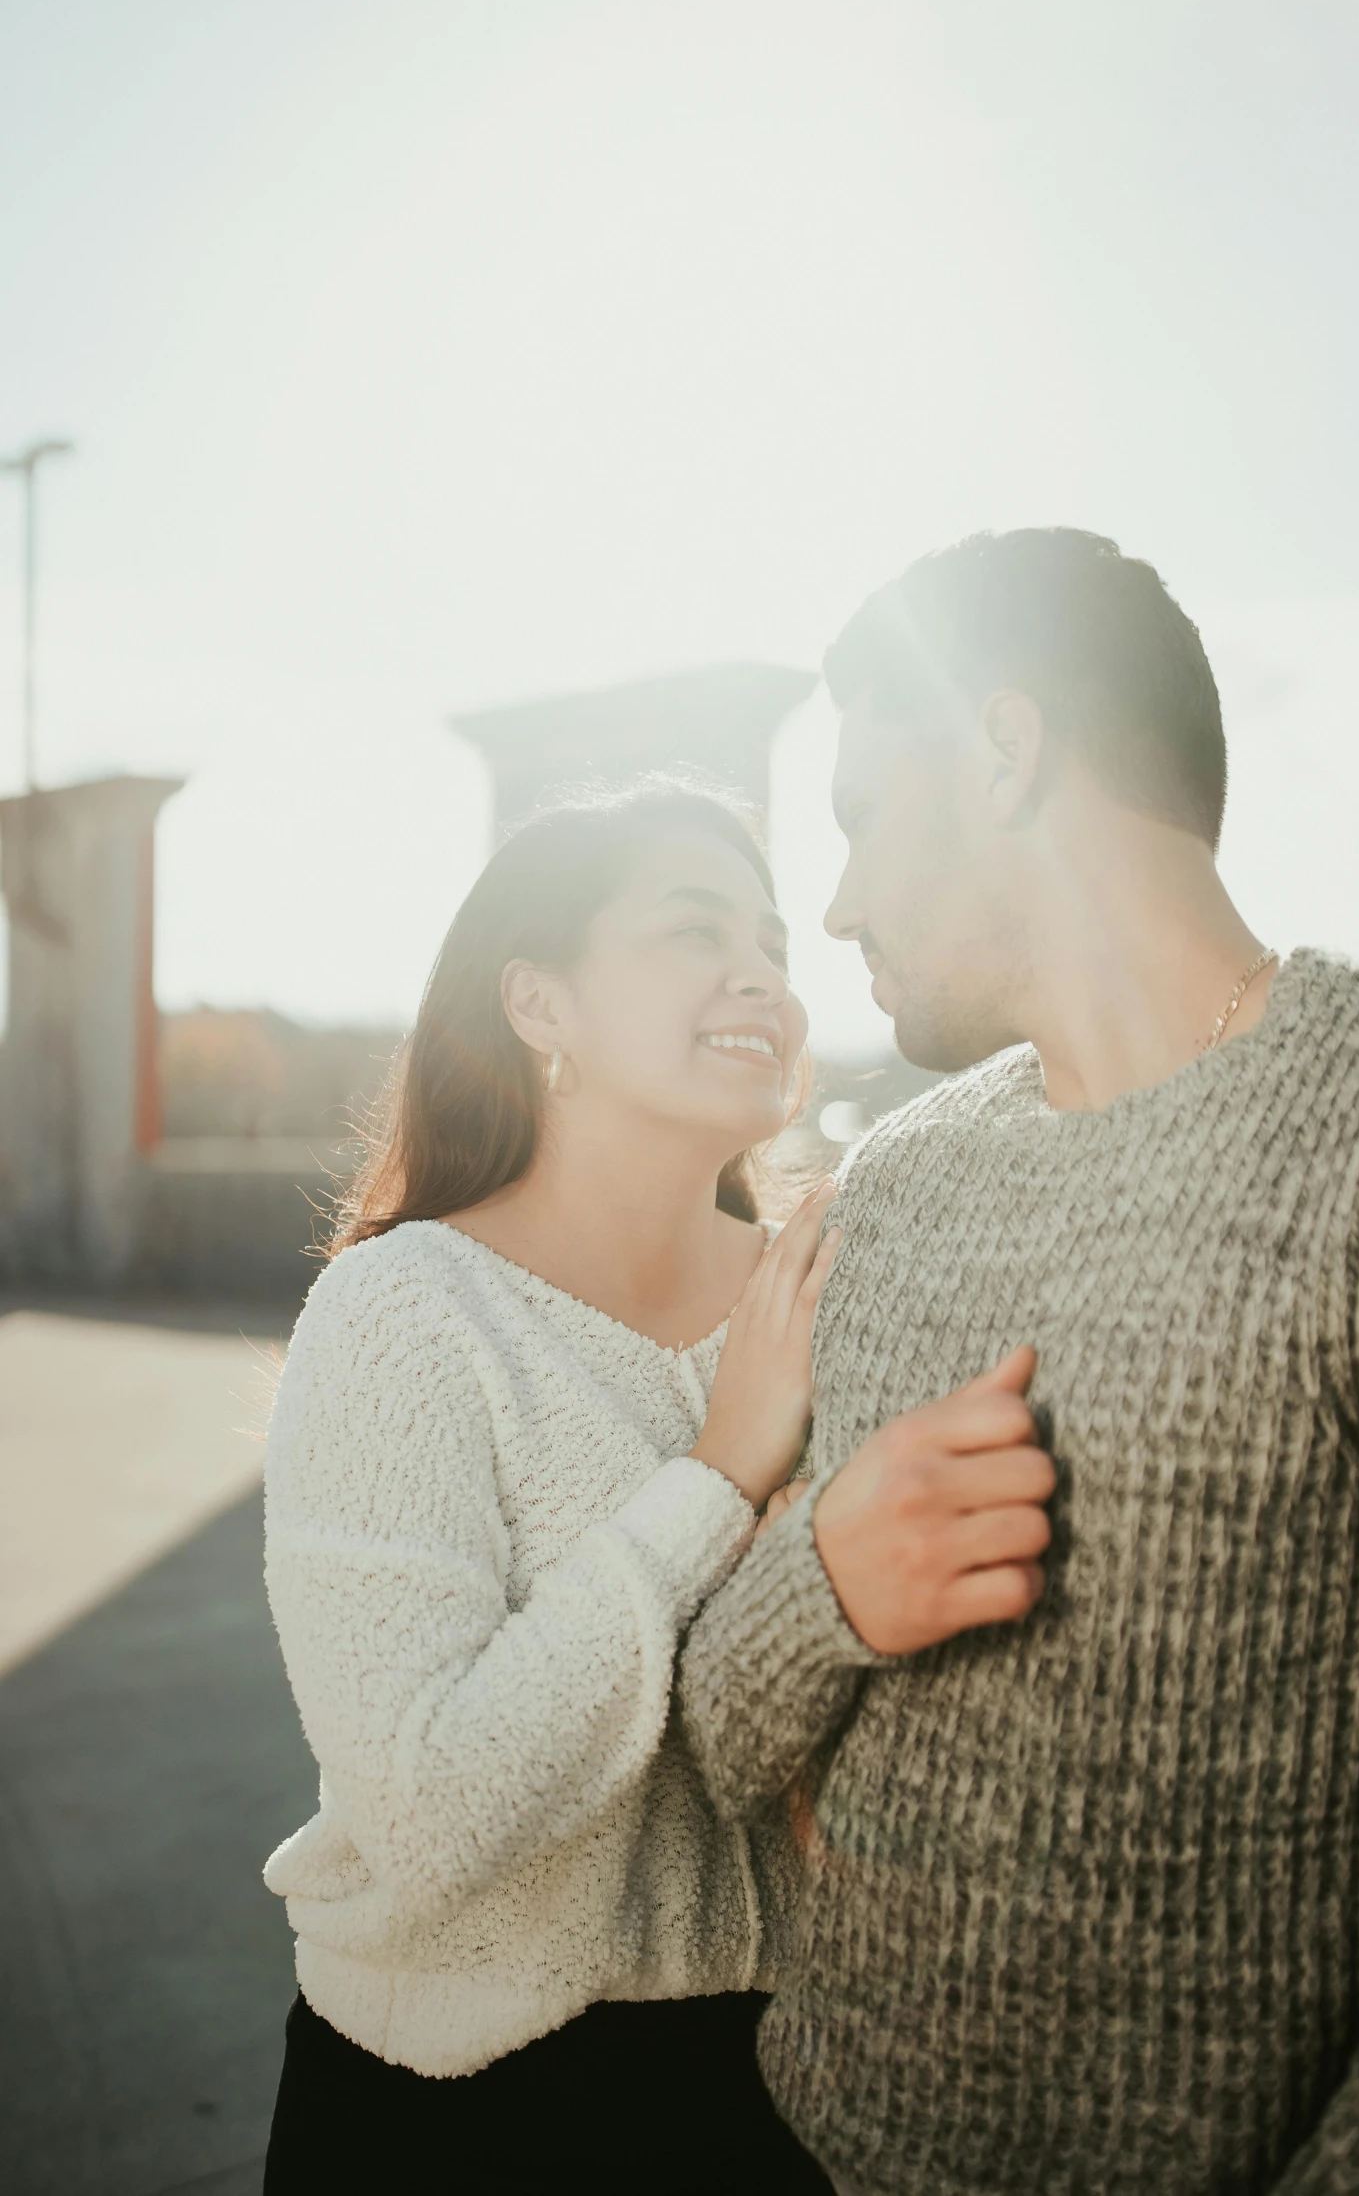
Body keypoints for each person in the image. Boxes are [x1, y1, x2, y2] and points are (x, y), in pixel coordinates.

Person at [679, 528, 1359, 2196]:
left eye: (864, 812)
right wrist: (826, 1581)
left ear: (1002, 748)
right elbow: (719, 1737)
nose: (839, 899)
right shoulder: (897, 1185)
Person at [261, 779, 839, 2194]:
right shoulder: (405, 1313)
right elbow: (431, 1810)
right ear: (539, 1003)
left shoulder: (829, 1292)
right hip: (455, 2116)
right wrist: (718, 1476)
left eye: (771, 938)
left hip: (795, 2098)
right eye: (692, 929)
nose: (758, 971)